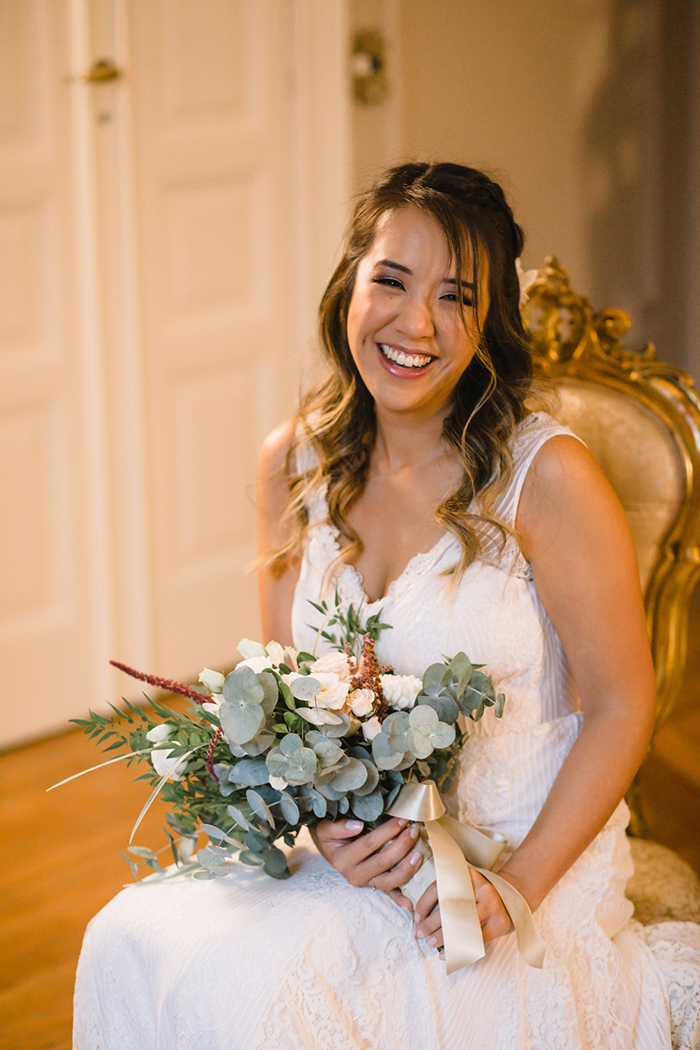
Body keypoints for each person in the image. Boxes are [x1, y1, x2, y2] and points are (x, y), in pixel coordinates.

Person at [73, 163, 700, 1050]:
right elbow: (290, 685)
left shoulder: (547, 479)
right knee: (127, 941)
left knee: (259, 1009)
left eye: (456, 298)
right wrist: (323, 824)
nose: (415, 323)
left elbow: (624, 705)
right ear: (348, 290)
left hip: (519, 865)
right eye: (392, 281)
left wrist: (512, 884)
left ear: (489, 329)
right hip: (356, 860)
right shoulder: (292, 463)